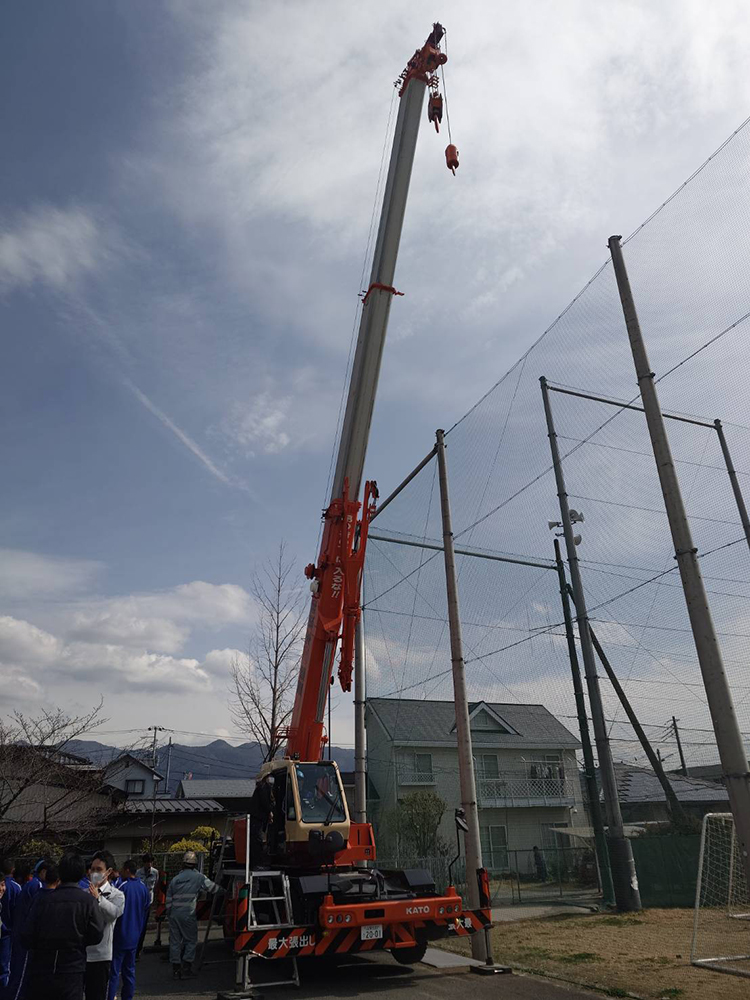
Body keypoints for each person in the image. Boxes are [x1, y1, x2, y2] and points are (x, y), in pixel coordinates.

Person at [20, 854, 104, 1000]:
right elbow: (97, 934)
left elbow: (27, 935)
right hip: (73, 966)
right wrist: (80, 941)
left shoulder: (43, 900)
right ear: (82, 874)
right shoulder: (88, 901)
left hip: (42, 966)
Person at [166, 851, 220, 980]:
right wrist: (226, 891)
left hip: (174, 914)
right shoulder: (198, 877)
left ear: (183, 864)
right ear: (194, 864)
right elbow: (213, 888)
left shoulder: (176, 879)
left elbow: (168, 898)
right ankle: (187, 968)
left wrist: (169, 913)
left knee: (175, 942)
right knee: (190, 940)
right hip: (188, 914)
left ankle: (176, 969)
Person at [5, 859, 54, 1000]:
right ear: (43, 872)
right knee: (20, 975)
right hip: (25, 936)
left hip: (21, 933)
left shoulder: (32, 884)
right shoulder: (37, 885)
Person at [83, 853, 124, 1000]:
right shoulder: (84, 894)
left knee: (97, 995)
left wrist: (98, 898)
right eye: (92, 869)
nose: (94, 873)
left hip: (101, 956)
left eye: (99, 869)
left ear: (108, 872)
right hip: (82, 954)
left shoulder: (117, 895)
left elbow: (113, 914)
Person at [107, 859, 148, 1000]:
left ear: (127, 870)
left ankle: (111, 996)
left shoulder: (122, 887)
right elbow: (146, 908)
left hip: (120, 933)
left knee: (114, 972)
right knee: (129, 970)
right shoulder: (143, 887)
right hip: (135, 935)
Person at [0, 859, 21, 990]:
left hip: (6, 933)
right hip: (7, 933)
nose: (3, 888)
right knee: (4, 968)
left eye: (3, 885)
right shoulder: (16, 887)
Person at [248, 774, 275, 868]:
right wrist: (270, 811)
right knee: (257, 841)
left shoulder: (262, 787)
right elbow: (265, 803)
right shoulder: (263, 787)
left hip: (258, 818)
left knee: (257, 840)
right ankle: (256, 864)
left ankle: (257, 863)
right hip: (257, 819)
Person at [134, 853, 158, 958]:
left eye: (151, 862)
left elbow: (155, 886)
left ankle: (138, 949)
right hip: (138, 903)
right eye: (147, 862)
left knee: (143, 928)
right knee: (136, 926)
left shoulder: (155, 872)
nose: (149, 864)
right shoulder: (138, 873)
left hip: (148, 904)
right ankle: (134, 948)